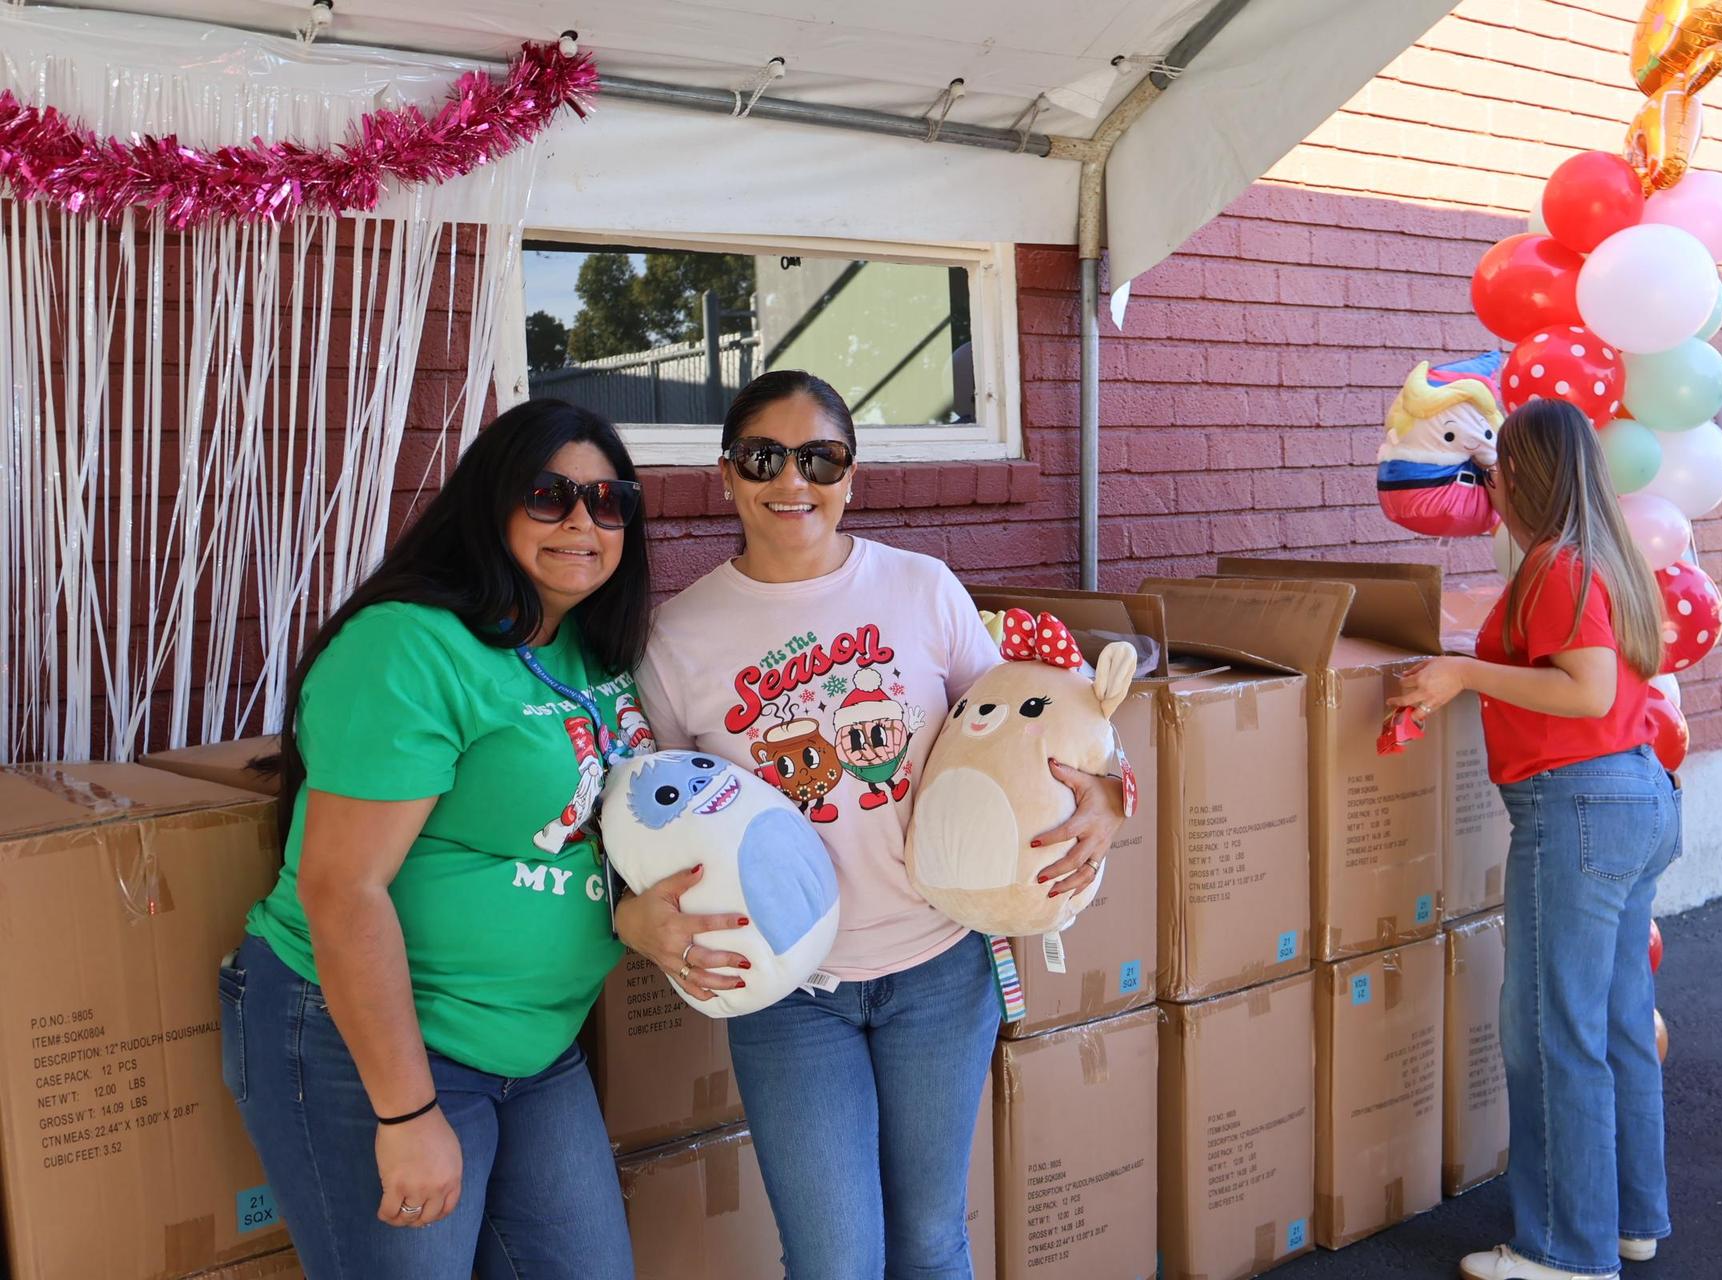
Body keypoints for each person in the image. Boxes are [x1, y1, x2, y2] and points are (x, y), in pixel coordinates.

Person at [629, 369, 1127, 1279]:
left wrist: (1107, 792)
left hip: (941, 968)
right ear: (727, 474)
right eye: (765, 457)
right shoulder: (678, 639)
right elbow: (648, 819)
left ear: (851, 476)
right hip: (792, 994)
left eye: (820, 459)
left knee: (932, 1241)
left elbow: (1025, 719)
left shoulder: (923, 590)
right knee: (833, 1263)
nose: (793, 482)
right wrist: (638, 918)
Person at [220, 399, 675, 1279]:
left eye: (609, 500)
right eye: (550, 495)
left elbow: (582, 830)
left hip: (535, 1048)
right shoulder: (409, 647)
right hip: (377, 1045)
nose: (583, 520)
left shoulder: (589, 645)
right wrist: (404, 1113)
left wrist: (632, 919)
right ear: (491, 503)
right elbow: (341, 889)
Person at [1391, 399, 1679, 1280]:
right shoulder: (1606, 556)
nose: (1488, 484)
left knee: (1552, 1032)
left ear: (1527, 474)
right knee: (1619, 1021)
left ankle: (1567, 1250)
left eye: (1495, 469)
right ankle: (1629, 1221)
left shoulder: (1557, 565)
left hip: (1577, 805)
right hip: (1633, 796)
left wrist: (1463, 672)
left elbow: (1586, 690)